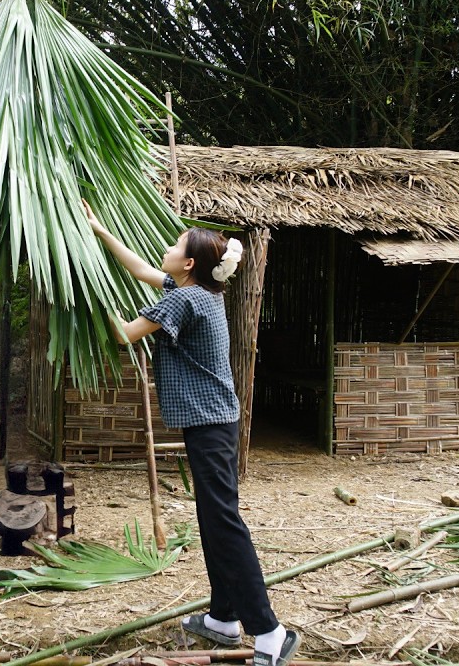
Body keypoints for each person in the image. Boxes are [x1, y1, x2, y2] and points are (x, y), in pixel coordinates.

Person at [84, 201, 301, 666]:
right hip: (213, 422)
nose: (166, 247)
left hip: (210, 424)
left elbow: (124, 334)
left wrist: (89, 287)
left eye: (175, 244)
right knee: (214, 518)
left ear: (188, 264)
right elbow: (142, 268)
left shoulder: (184, 299)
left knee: (224, 523)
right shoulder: (199, 292)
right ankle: (223, 618)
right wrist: (100, 229)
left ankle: (269, 631)